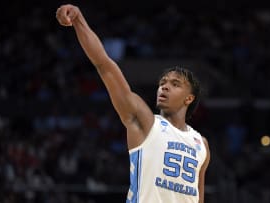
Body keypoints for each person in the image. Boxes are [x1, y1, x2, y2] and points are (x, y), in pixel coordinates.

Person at [56, 4, 210, 203]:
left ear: (189, 98)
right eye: (162, 83)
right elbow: (104, 65)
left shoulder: (202, 145)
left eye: (175, 84)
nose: (164, 87)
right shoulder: (145, 121)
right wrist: (78, 20)